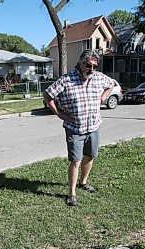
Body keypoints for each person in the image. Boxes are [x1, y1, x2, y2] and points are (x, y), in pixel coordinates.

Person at [43, 50, 114, 206]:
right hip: (75, 128)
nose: (92, 69)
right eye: (88, 65)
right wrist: (59, 114)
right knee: (76, 161)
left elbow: (112, 84)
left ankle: (83, 182)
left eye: (95, 66)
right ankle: (72, 194)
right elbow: (47, 95)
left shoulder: (99, 78)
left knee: (90, 155)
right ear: (80, 63)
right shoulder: (66, 80)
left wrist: (103, 97)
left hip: (94, 126)